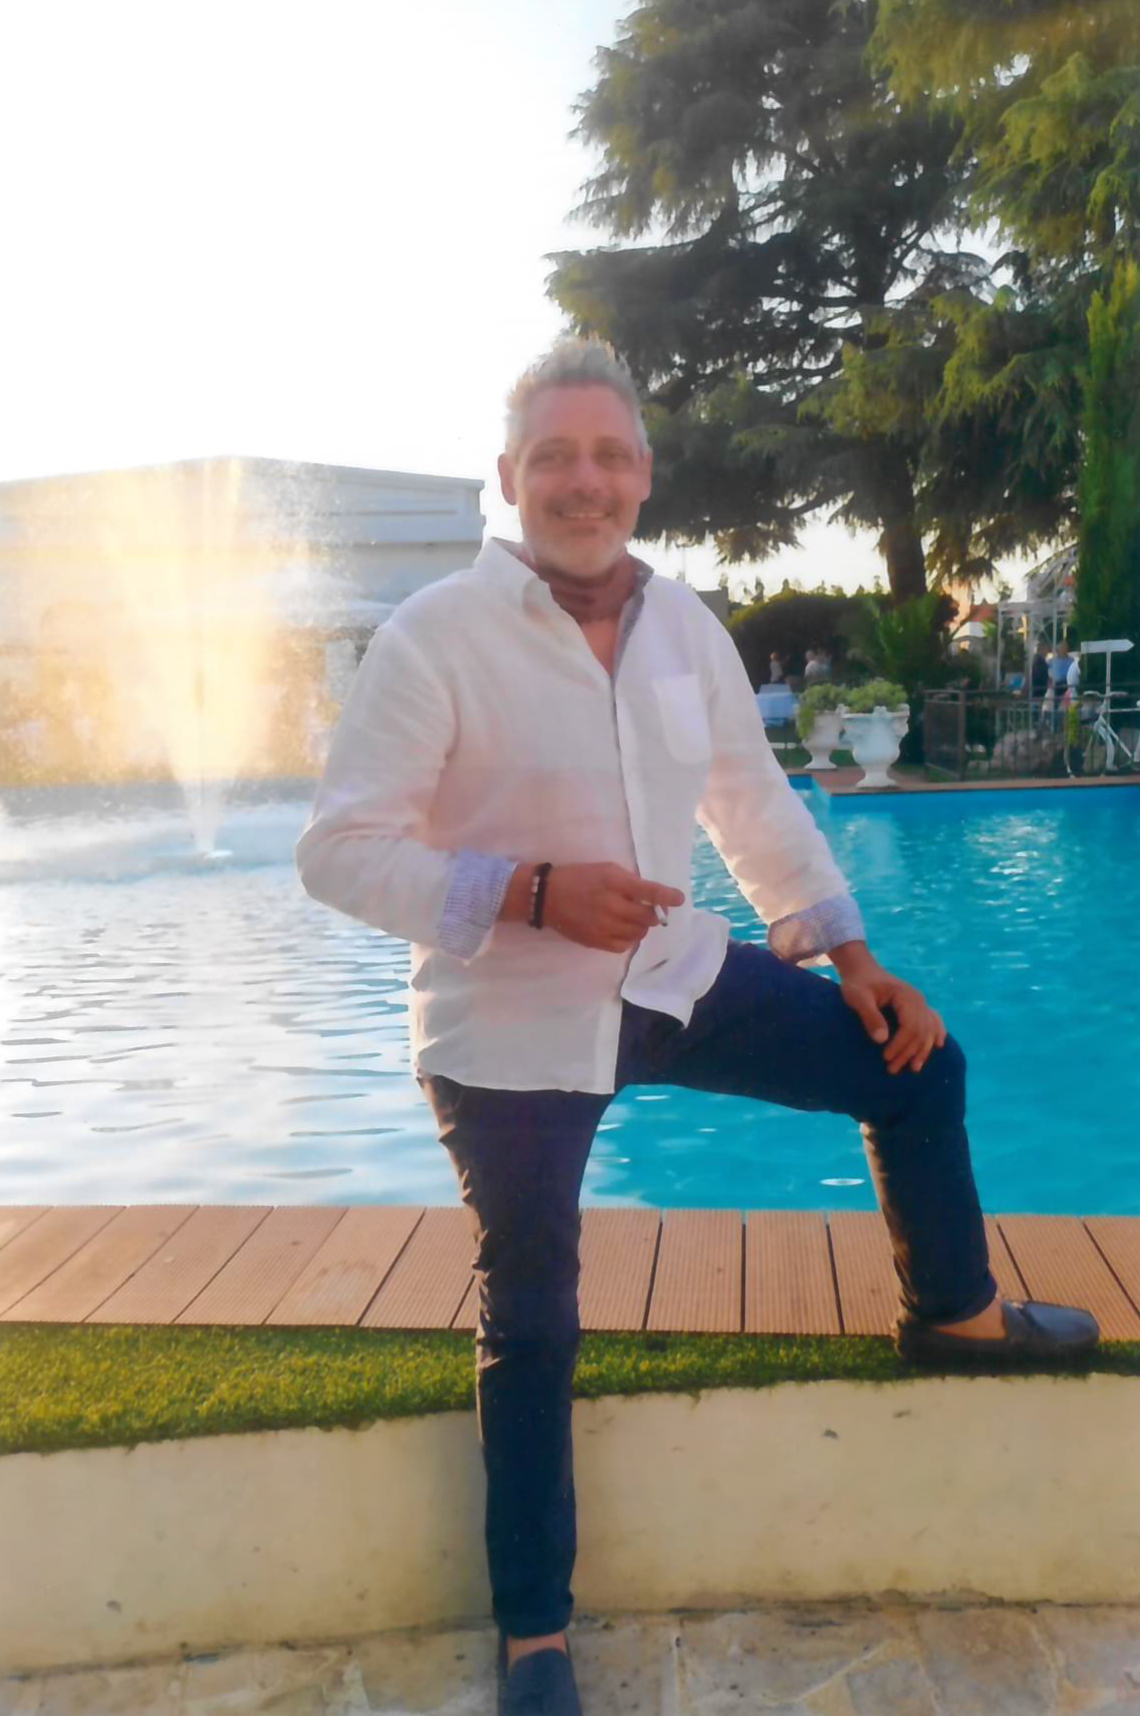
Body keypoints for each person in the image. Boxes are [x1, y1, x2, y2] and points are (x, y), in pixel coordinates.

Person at [296, 340, 1098, 1716]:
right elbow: (339, 853)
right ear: (509, 476)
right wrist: (531, 893)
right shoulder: (435, 635)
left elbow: (752, 802)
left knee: (917, 1062)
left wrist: (854, 958)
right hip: (508, 1026)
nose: (585, 482)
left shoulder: (684, 627)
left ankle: (957, 1316)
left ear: (644, 475)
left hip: (670, 976)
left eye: (609, 456)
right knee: (533, 1313)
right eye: (556, 456)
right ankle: (535, 1636)